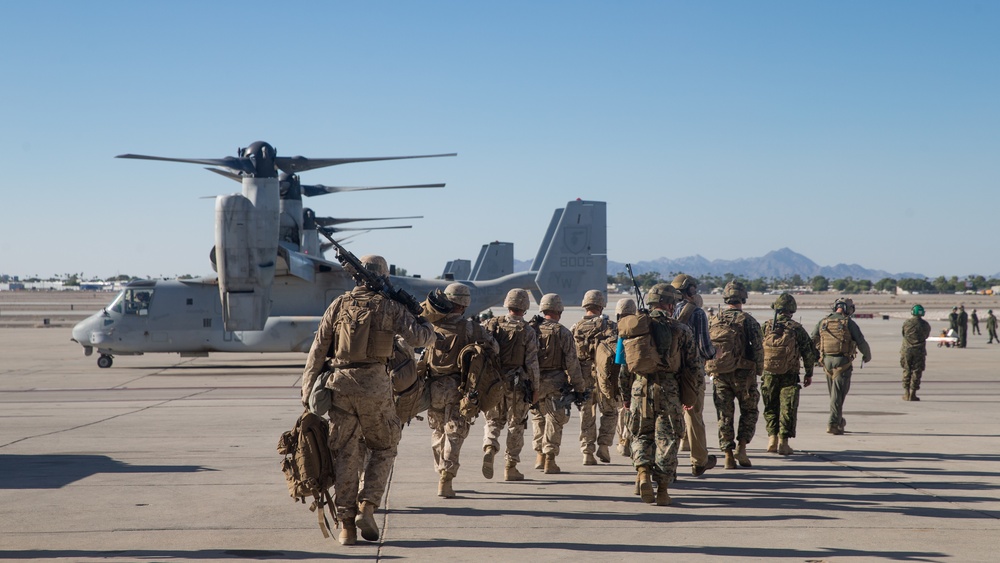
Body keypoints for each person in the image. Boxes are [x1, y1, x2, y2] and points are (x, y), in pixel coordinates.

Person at [300, 254, 436, 546]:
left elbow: (318, 351)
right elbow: (421, 338)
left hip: (340, 389)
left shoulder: (338, 305)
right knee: (385, 446)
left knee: (346, 454)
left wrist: (307, 392)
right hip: (376, 390)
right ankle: (368, 506)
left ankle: (346, 526)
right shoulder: (390, 307)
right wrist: (424, 319)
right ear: (383, 277)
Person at [622, 283, 698, 506]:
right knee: (667, 438)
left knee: (640, 435)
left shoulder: (633, 327)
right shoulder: (681, 330)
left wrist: (626, 395)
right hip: (669, 391)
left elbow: (624, 365)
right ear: (670, 304)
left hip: (639, 388)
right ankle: (663, 490)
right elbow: (693, 367)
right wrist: (689, 397)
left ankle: (643, 472)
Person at [423, 283, 499, 497]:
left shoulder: (432, 327)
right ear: (465, 304)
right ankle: (446, 477)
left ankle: (441, 469)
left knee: (438, 431)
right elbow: (494, 348)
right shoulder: (473, 328)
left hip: (435, 387)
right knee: (455, 432)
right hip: (461, 389)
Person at [481, 288, 541, 481]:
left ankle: (490, 447)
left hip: (493, 383)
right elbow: (532, 363)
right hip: (517, 384)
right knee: (516, 424)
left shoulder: (491, 324)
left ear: (507, 304)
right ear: (524, 307)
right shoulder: (528, 331)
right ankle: (510, 466)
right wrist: (536, 389)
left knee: (493, 421)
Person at [705, 280, 763, 469]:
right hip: (744, 375)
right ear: (742, 298)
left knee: (724, 415)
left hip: (720, 374)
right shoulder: (748, 320)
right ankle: (742, 447)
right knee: (749, 411)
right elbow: (758, 349)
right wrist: (759, 369)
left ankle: (728, 454)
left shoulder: (715, 319)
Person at [529, 293, 586, 474]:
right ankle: (550, 459)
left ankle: (539, 455)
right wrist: (579, 387)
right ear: (559, 311)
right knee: (554, 419)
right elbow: (572, 362)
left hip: (534, 383)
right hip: (555, 382)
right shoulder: (562, 332)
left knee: (538, 417)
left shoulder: (532, 329)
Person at [670, 274, 717, 476]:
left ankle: (668, 464)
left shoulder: (668, 312)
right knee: (694, 416)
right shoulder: (697, 314)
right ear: (690, 291)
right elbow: (705, 349)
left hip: (671, 372)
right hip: (692, 374)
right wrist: (717, 352)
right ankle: (699, 460)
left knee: (669, 418)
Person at [760, 293, 818, 455]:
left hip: (768, 374)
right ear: (792, 309)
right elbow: (808, 353)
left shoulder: (766, 326)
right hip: (789, 374)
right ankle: (783, 443)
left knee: (770, 406)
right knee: (787, 408)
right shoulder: (796, 328)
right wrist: (809, 373)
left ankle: (772, 439)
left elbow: (757, 349)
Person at [571, 289, 619, 466]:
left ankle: (587, 452)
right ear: (601, 305)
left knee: (587, 413)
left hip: (584, 377)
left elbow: (570, 356)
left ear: (585, 305)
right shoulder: (611, 326)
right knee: (610, 411)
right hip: (605, 376)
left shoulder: (576, 327)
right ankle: (604, 445)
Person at [811, 298, 872, 436]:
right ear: (848, 309)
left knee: (834, 396)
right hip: (842, 364)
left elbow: (812, 340)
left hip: (826, 363)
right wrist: (867, 356)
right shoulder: (848, 323)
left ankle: (838, 421)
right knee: (837, 396)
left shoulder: (823, 322)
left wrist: (815, 359)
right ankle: (833, 424)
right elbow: (861, 342)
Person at [900, 304, 931, 401]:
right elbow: (926, 336)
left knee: (907, 370)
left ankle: (906, 393)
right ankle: (913, 393)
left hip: (907, 350)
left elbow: (903, 334)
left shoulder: (906, 323)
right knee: (917, 371)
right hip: (919, 351)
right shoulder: (925, 325)